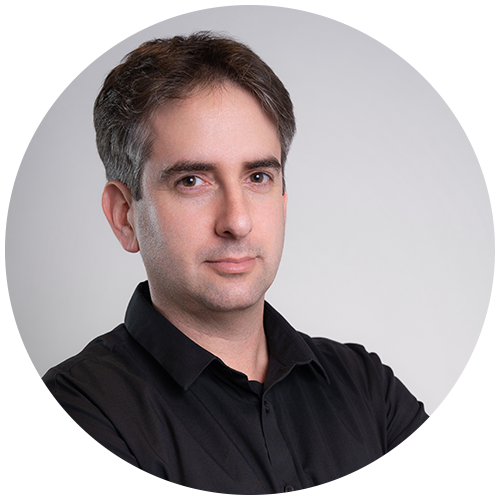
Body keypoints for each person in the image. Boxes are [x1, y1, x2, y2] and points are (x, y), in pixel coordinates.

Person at [13, 32, 485, 497]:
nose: (237, 221)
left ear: (283, 199)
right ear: (124, 216)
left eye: (258, 176)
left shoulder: (366, 387)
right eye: (192, 181)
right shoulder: (73, 416)